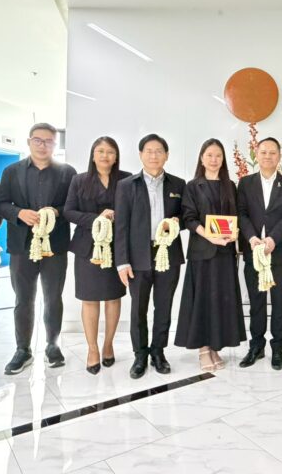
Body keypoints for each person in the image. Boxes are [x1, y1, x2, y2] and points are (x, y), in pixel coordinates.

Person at [0, 122, 76, 374]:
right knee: (23, 299)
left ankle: (53, 345)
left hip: (55, 245)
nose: (43, 145)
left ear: (55, 144)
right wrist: (19, 213)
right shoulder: (12, 171)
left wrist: (55, 212)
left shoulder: (67, 172)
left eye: (48, 141)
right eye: (38, 140)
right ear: (29, 142)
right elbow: (0, 205)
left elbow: (72, 207)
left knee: (53, 297)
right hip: (21, 245)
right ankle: (23, 349)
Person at [115, 134, 186, 379]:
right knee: (138, 308)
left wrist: (177, 221)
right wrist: (122, 261)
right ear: (140, 155)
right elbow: (121, 226)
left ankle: (158, 352)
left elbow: (187, 217)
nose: (154, 155)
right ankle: (140, 355)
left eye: (159, 151)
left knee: (164, 306)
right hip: (137, 256)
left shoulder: (178, 185)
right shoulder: (126, 185)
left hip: (168, 254)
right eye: (149, 151)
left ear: (166, 155)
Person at [175, 138, 246, 371]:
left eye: (218, 155)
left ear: (223, 159)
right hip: (202, 252)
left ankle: (215, 346)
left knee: (220, 300)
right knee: (203, 301)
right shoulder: (192, 186)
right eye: (209, 155)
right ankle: (203, 349)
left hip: (225, 253)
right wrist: (210, 236)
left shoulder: (230, 186)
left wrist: (234, 233)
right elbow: (189, 218)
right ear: (202, 158)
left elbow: (236, 217)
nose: (214, 160)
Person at [64, 137, 131, 374]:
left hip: (117, 247)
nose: (105, 156)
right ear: (93, 155)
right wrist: (97, 219)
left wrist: (118, 216)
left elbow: (135, 211)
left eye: (110, 152)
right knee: (90, 299)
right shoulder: (79, 180)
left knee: (113, 298)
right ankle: (92, 349)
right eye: (100, 151)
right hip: (87, 248)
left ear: (116, 156)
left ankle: (108, 344)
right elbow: (68, 211)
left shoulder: (126, 179)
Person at [237, 137, 282, 370]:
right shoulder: (245, 183)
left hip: (279, 250)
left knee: (279, 300)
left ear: (279, 156)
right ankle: (256, 346)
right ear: (256, 153)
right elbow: (241, 213)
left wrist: (273, 238)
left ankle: (278, 347)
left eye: (273, 153)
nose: (268, 156)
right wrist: (252, 238)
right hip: (253, 250)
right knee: (256, 300)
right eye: (263, 152)